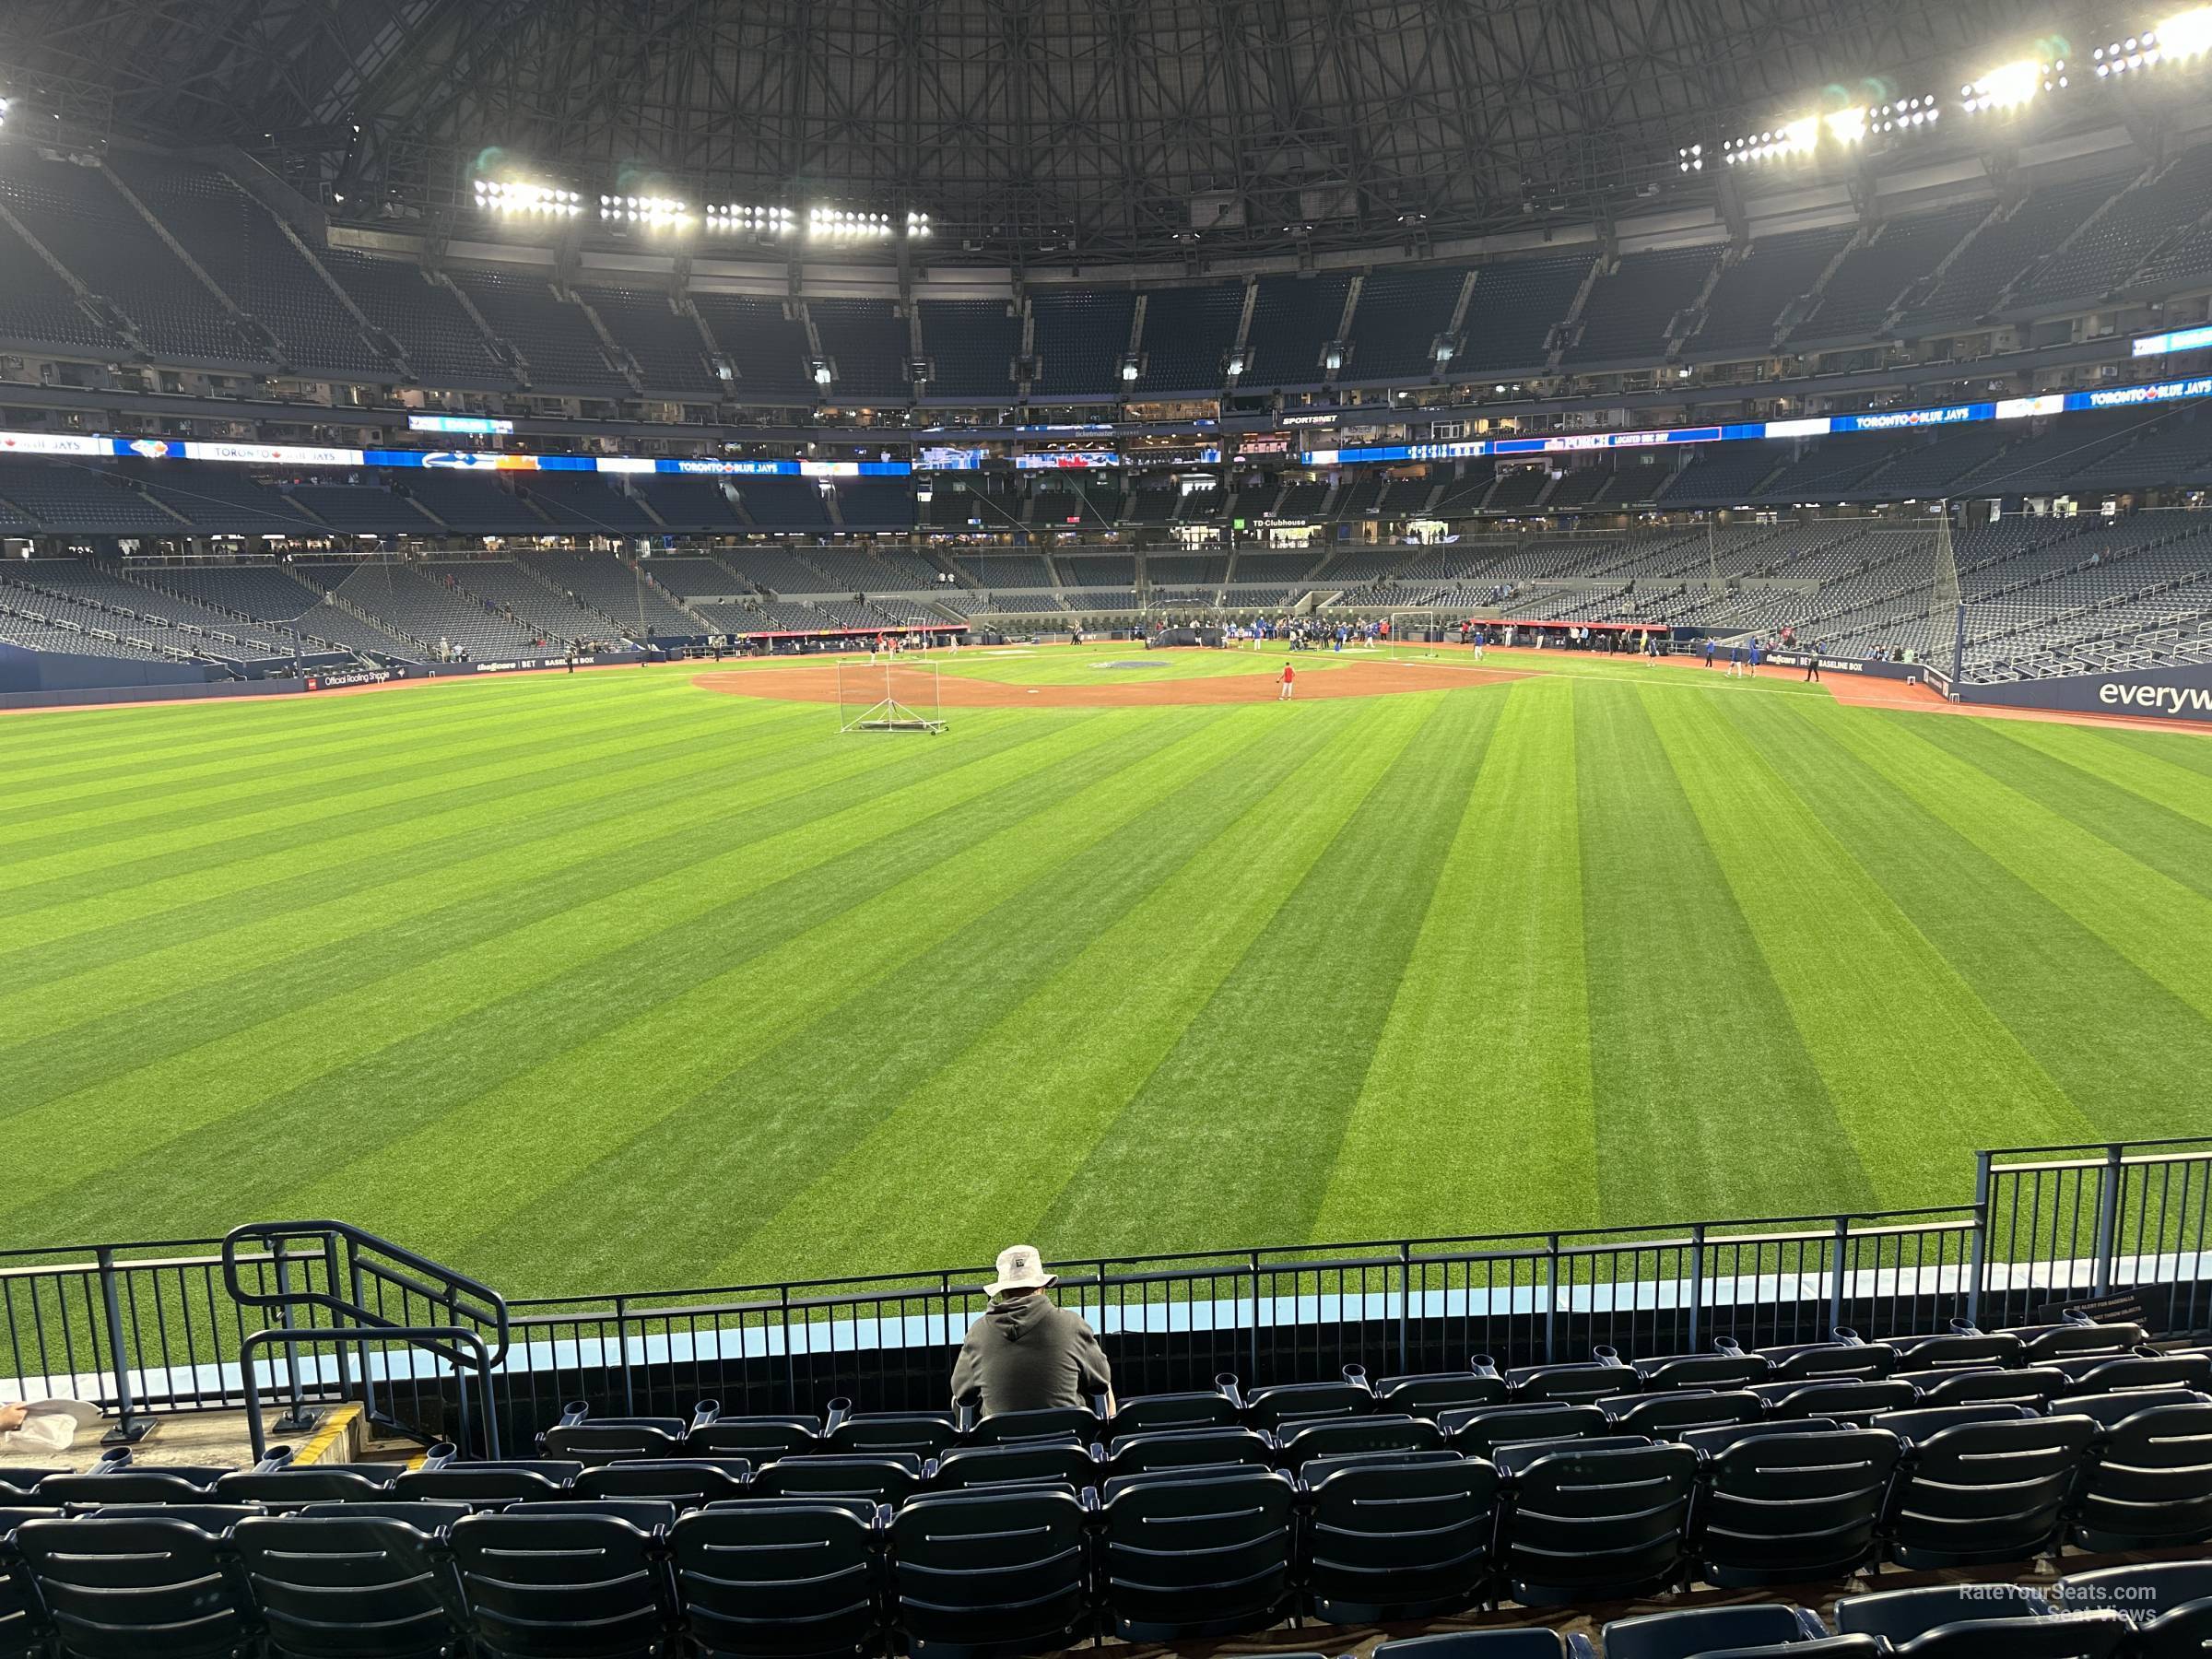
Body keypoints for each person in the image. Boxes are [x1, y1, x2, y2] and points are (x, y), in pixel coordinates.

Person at [950, 1245, 1114, 1418]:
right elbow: (1102, 1380)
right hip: (1066, 1438)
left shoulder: (978, 1333)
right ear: (1042, 1285)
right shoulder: (1071, 1324)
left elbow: (960, 1393)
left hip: (1001, 1441)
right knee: (1105, 1388)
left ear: (1003, 1290)